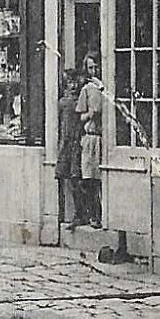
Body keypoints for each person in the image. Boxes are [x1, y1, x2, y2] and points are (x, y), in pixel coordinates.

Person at [76, 54, 106, 229]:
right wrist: (90, 114)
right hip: (91, 138)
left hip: (104, 139)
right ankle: (93, 215)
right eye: (90, 68)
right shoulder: (86, 89)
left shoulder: (106, 88)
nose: (94, 71)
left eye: (96, 67)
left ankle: (103, 214)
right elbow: (80, 117)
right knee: (90, 179)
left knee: (102, 179)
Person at [56, 68, 84, 227]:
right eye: (68, 83)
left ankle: (79, 213)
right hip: (67, 141)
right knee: (68, 177)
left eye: (74, 82)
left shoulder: (76, 101)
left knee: (76, 178)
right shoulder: (63, 102)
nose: (72, 86)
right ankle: (72, 213)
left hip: (76, 141)